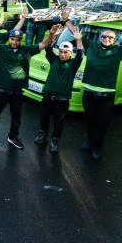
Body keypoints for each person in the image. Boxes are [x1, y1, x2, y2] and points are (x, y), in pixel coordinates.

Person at [63, 14, 122, 161]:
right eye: (104, 36)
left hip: (106, 96)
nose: (106, 39)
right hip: (89, 93)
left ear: (114, 40)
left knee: (102, 124)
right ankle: (89, 142)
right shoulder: (92, 46)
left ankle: (97, 148)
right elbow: (75, 32)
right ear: (100, 38)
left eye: (110, 37)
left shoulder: (119, 50)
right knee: (89, 121)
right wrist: (66, 20)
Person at [0, 24, 61, 150]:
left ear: (20, 41)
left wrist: (51, 33)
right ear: (9, 39)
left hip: (17, 91)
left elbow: (44, 44)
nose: (14, 42)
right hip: (0, 90)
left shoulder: (26, 50)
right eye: (12, 39)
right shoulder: (1, 48)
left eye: (17, 40)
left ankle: (13, 137)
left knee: (16, 117)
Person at [33, 24, 84, 154]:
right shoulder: (54, 60)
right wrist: (54, 36)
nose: (62, 54)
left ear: (70, 53)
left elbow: (80, 54)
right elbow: (48, 48)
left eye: (65, 52)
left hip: (62, 99)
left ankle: (55, 140)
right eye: (61, 51)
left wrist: (78, 40)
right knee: (44, 117)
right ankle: (42, 134)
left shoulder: (73, 64)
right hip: (48, 96)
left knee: (58, 122)